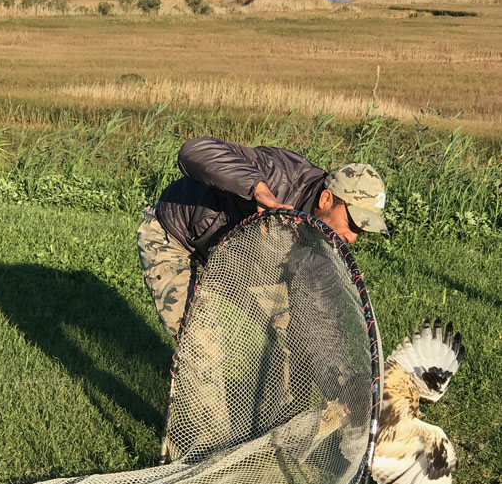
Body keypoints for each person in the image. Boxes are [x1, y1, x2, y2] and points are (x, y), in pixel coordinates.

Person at [137, 136, 389, 338]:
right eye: (353, 224)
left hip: (233, 260)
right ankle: (204, 404)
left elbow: (323, 323)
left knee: (290, 335)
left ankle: (284, 404)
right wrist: (258, 189)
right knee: (200, 339)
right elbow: (194, 150)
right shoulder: (279, 173)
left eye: (361, 230)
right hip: (176, 238)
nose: (352, 238)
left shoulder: (324, 244)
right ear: (326, 199)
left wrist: (340, 384)